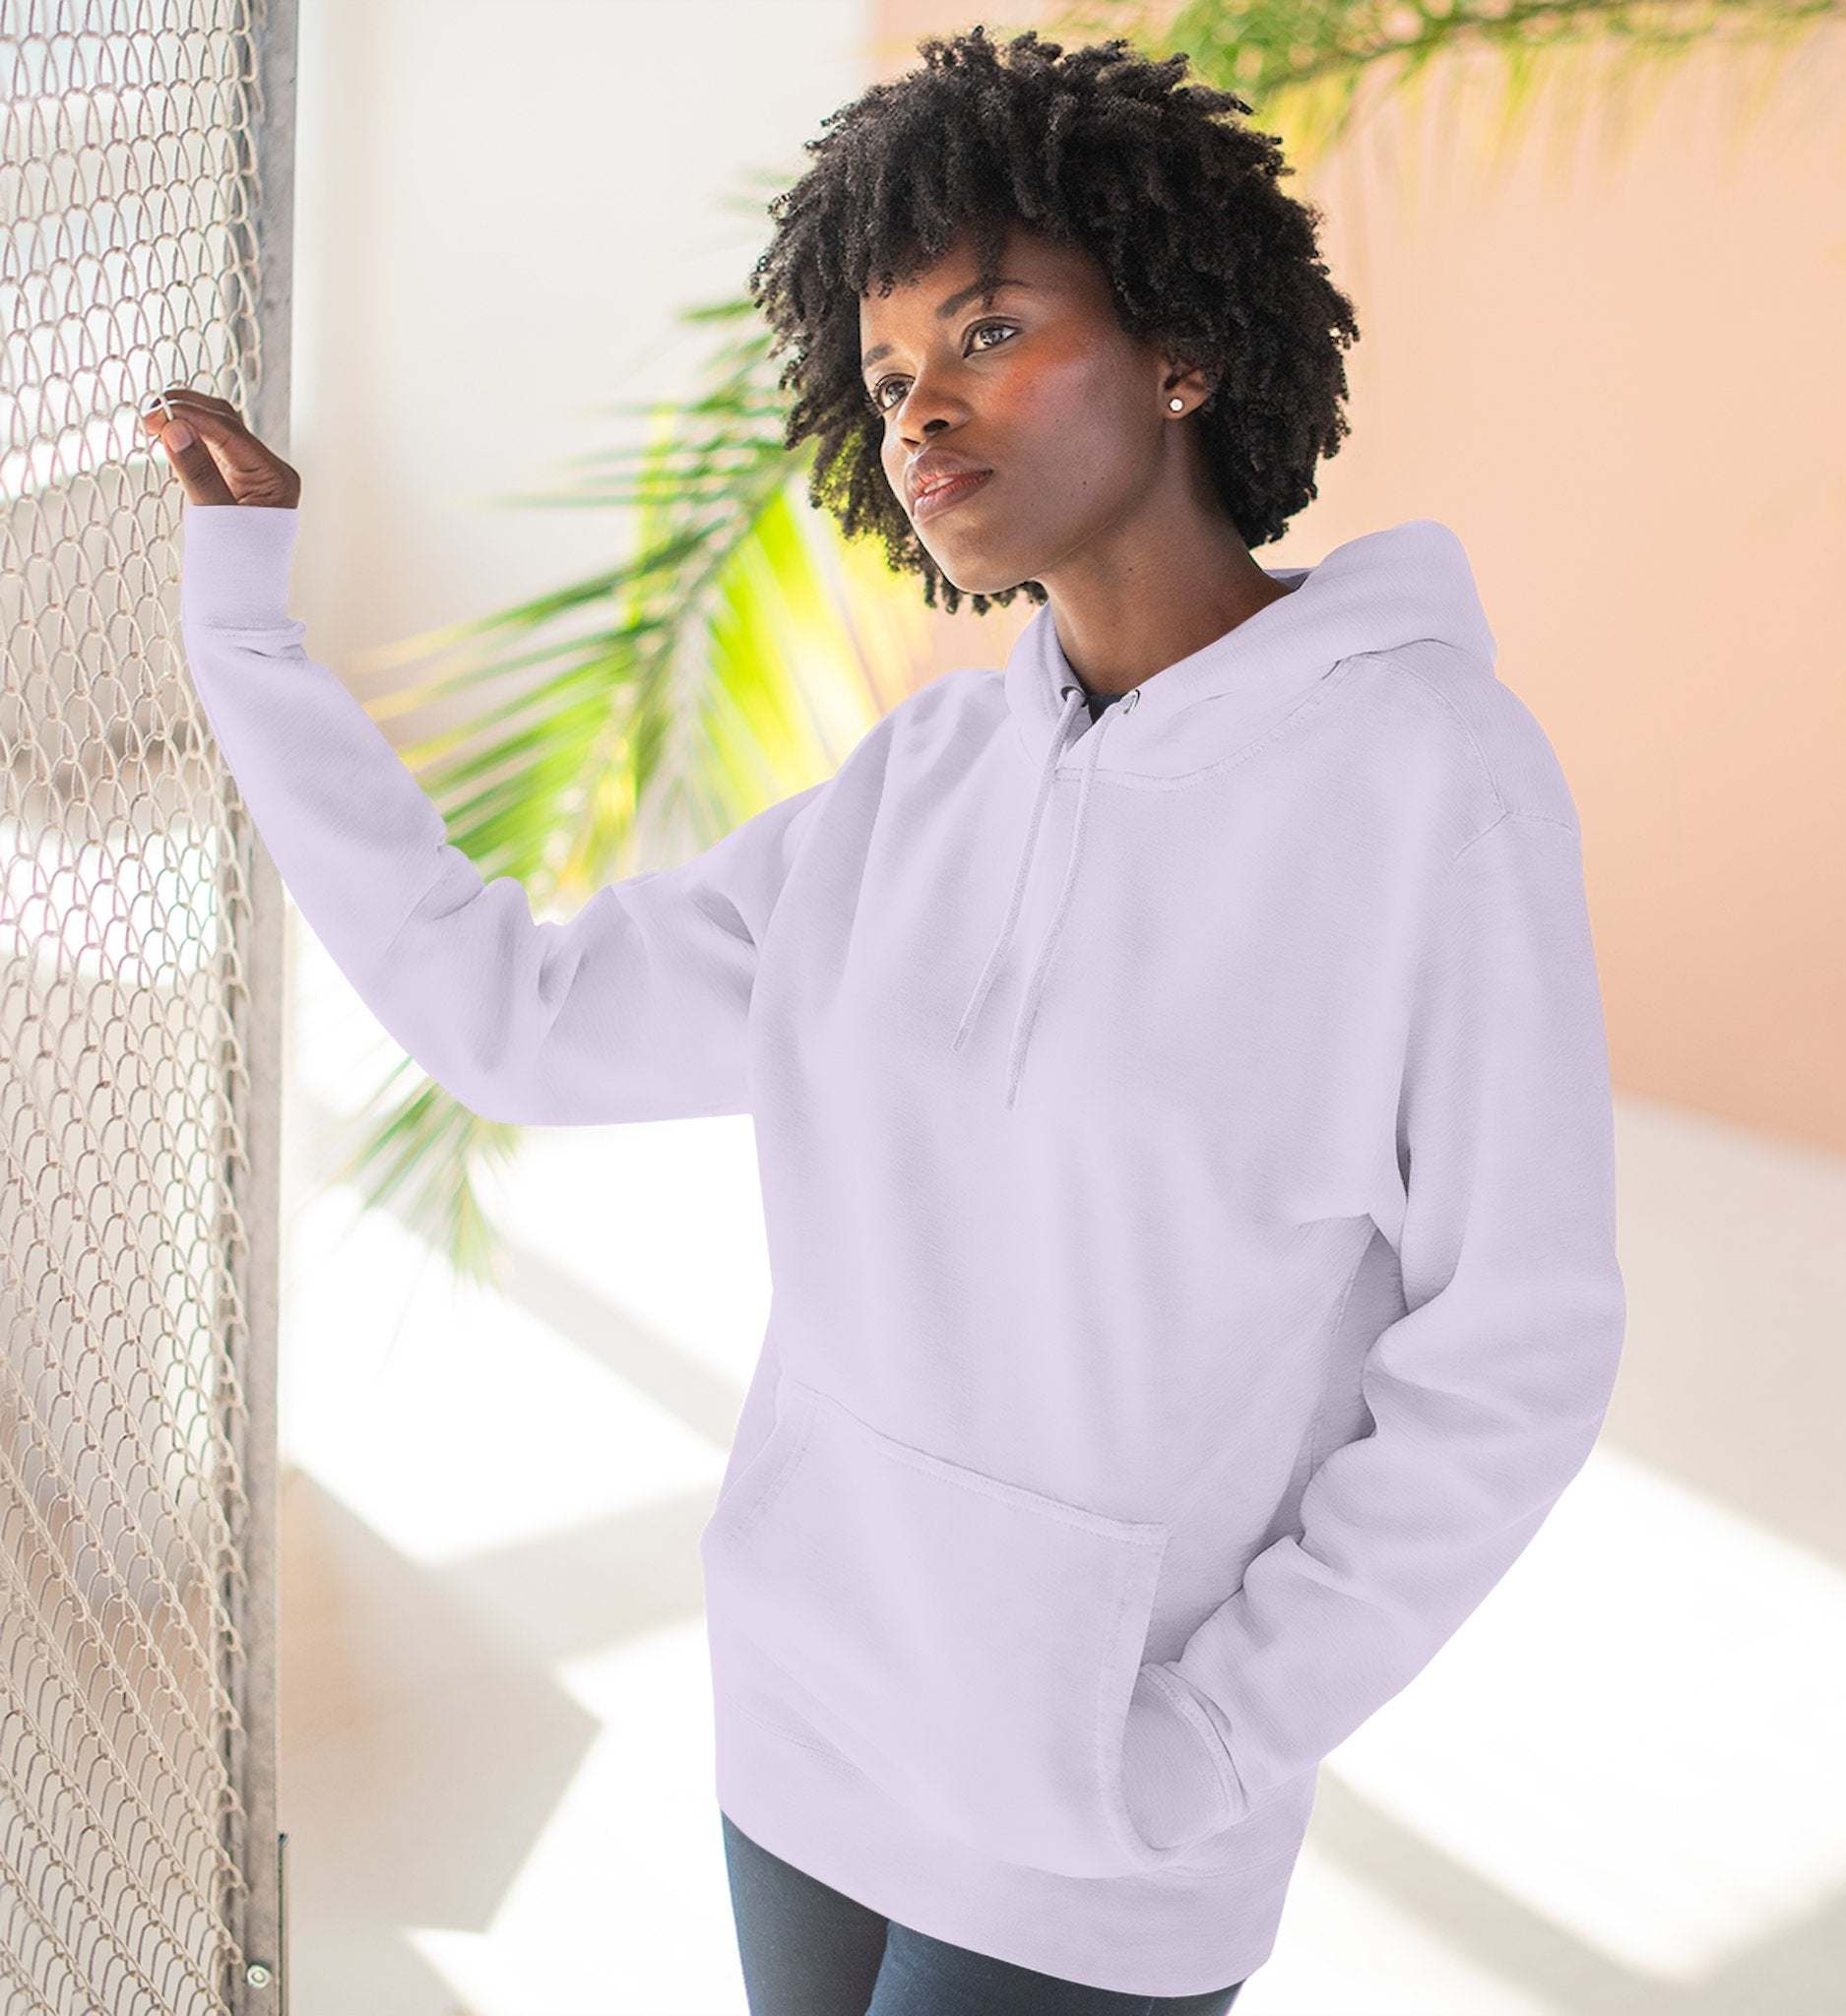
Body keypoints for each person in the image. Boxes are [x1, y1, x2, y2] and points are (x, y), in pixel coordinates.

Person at [154, 25, 1627, 2014]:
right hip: (807, 1719)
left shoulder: (1425, 780)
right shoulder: (923, 780)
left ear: (1181, 341)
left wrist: (1204, 1737)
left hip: (1105, 1802)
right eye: (884, 377)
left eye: (989, 331)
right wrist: (250, 635)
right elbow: (513, 1016)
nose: (920, 413)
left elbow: (1514, 1344)